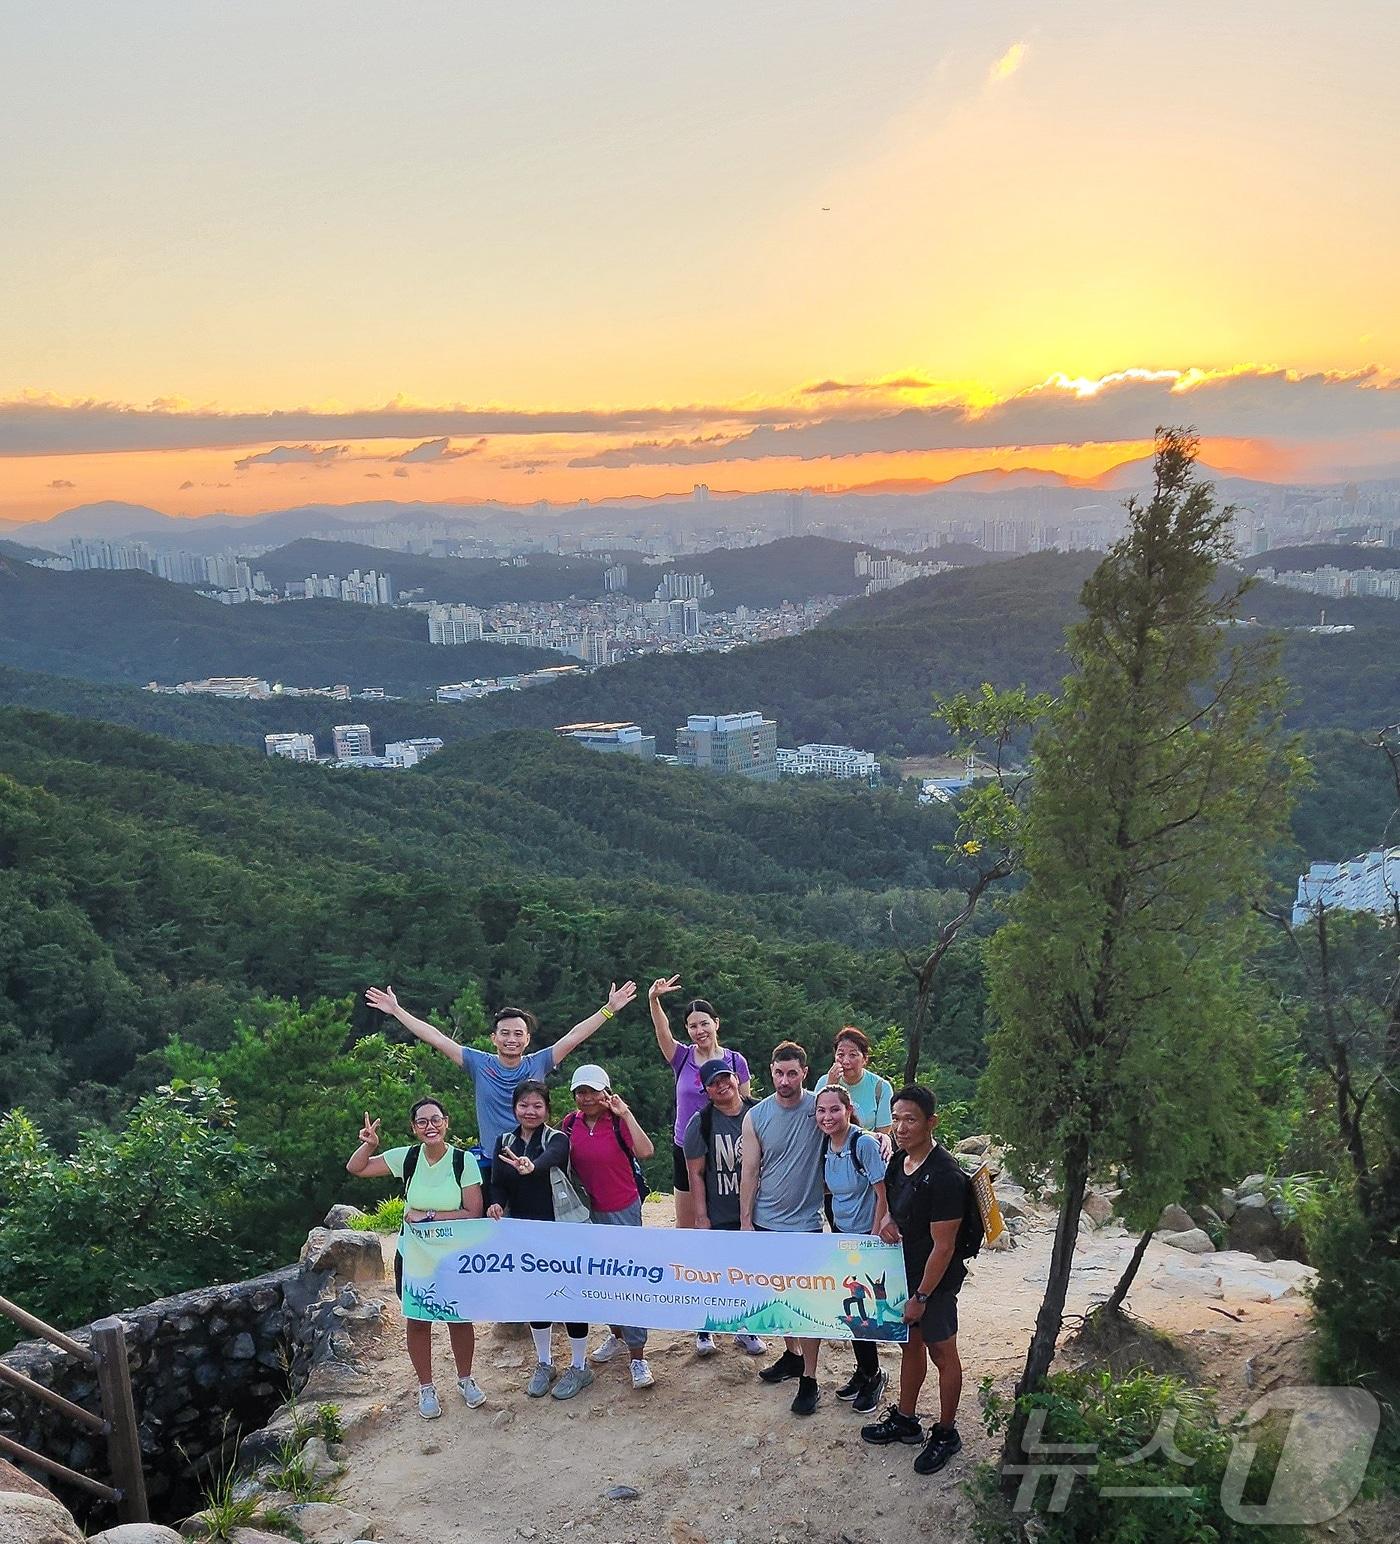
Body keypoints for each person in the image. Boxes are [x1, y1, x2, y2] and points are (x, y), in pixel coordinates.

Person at [365, 981, 637, 1193]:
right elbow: (436, 1037)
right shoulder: (478, 1063)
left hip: (534, 1160)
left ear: (527, 1039)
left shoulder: (537, 1063)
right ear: (494, 1038)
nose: (511, 1039)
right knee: (491, 1224)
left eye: (518, 1034)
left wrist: (609, 1009)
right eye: (505, 1033)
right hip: (490, 1162)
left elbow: (574, 1036)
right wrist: (397, 1010)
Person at [346, 1097, 485, 1420]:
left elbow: (473, 1213)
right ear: (414, 1128)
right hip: (414, 1256)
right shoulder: (406, 1158)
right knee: (419, 1320)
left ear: (447, 1122)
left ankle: (465, 1379)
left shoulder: (463, 1162)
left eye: (435, 1119)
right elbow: (357, 1168)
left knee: (458, 1318)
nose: (430, 1126)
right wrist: (369, 1145)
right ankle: (426, 1387)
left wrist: (429, 1215)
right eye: (422, 1122)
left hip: (452, 1255)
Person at [860, 1085, 971, 1476]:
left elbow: (944, 1247)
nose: (901, 1127)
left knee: (943, 1354)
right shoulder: (899, 1161)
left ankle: (946, 1432)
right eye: (897, 1118)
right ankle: (906, 1419)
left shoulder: (946, 1177)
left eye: (911, 1119)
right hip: (905, 1272)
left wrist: (921, 1296)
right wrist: (888, 1220)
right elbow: (889, 1201)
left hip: (934, 1282)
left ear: (931, 1122)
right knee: (911, 1346)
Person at [485, 1080, 593, 1401]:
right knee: (535, 1296)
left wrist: (532, 1166)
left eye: (537, 1106)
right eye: (524, 1105)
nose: (530, 1111)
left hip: (561, 1231)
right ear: (514, 1108)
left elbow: (554, 1159)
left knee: (570, 1295)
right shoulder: (504, 1141)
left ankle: (579, 1365)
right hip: (524, 1231)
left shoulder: (557, 1138)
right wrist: (495, 1202)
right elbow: (498, 1182)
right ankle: (544, 1362)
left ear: (547, 1109)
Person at [740, 1041, 825, 1416]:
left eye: (792, 1073)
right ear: (770, 1071)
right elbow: (750, 1170)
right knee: (779, 1298)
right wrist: (745, 1222)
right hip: (766, 1220)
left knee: (807, 1304)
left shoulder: (819, 1109)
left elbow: (848, 1132)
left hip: (806, 1222)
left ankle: (810, 1378)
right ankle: (791, 1356)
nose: (785, 1080)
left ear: (804, 1072)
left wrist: (880, 1139)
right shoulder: (756, 1116)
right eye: (779, 1073)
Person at [561, 1064, 657, 1390]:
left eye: (592, 1091)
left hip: (622, 1210)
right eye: (580, 1092)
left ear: (606, 1092)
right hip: (587, 1214)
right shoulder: (569, 1124)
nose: (586, 1098)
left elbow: (646, 1151)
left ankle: (638, 1356)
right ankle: (616, 1335)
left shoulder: (617, 1122)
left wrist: (625, 1113)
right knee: (601, 1279)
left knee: (629, 1282)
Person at [647, 978, 752, 1233]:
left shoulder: (735, 1062)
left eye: (705, 1023)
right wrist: (653, 999)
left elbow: (746, 1110)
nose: (700, 1030)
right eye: (693, 1026)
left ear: (716, 1023)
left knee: (731, 1219)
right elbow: (663, 1032)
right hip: (686, 1145)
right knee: (687, 1224)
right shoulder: (681, 1057)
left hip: (727, 1149)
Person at [680, 1058, 766, 1358]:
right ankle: (705, 1329)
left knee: (750, 1272)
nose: (722, 1085)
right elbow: (696, 1174)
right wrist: (701, 1216)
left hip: (758, 1208)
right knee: (714, 1273)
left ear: (735, 1077)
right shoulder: (701, 1123)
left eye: (725, 1078)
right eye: (714, 1083)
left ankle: (746, 1328)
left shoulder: (759, 1112)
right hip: (720, 1210)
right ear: (706, 1090)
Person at [816, 1085, 890, 1414]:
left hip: (866, 1238)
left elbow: (883, 1191)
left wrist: (874, 1239)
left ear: (848, 1109)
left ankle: (874, 1375)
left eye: (835, 1109)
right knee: (850, 1309)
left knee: (861, 1312)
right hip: (843, 1235)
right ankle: (864, 1370)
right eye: (822, 1110)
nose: (828, 1116)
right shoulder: (826, 1146)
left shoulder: (863, 1144)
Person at [821, 1027, 893, 1135]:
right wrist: (830, 1086)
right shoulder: (824, 1082)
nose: (845, 1061)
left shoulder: (881, 1088)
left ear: (864, 1059)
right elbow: (818, 1125)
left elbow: (882, 1135)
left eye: (853, 1055)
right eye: (840, 1055)